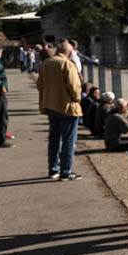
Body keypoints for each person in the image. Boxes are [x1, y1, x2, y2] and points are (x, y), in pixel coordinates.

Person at [36, 39, 83, 180]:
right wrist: (77, 99)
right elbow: (75, 87)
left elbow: (39, 84)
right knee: (68, 140)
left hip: (50, 105)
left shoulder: (45, 64)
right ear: (68, 52)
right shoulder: (67, 64)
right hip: (67, 107)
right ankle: (66, 171)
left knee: (54, 139)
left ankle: (53, 170)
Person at [104, 98, 128, 163]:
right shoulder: (118, 117)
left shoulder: (112, 113)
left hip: (109, 142)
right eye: (127, 107)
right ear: (122, 108)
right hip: (115, 145)